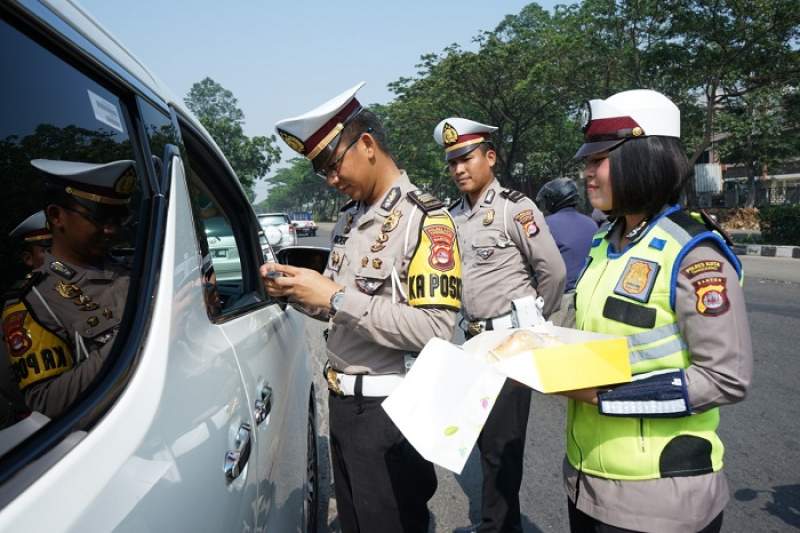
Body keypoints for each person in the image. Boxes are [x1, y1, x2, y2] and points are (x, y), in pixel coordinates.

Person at [263, 82, 462, 533]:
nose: (332, 180)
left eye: (333, 165)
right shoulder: (352, 220)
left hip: (391, 412)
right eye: (322, 173)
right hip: (343, 408)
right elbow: (338, 310)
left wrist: (333, 296)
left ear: (367, 144)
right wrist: (298, 290)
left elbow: (434, 329)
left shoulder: (426, 220)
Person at [562, 89, 753, 532]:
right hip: (587, 483)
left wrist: (606, 395)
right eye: (586, 161)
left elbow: (726, 377)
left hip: (660, 498)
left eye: (599, 160)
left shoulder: (692, 251)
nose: (586, 173)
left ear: (643, 158)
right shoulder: (605, 241)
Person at [435, 117, 565, 533]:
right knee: (480, 440)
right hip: (473, 342)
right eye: (452, 162)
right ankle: (495, 521)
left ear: (490, 157)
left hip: (510, 343)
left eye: (466, 158)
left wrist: (533, 326)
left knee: (503, 449)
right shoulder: (452, 216)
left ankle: (500, 527)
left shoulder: (515, 208)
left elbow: (554, 272)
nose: (458, 169)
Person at [1, 159, 134, 419]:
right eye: (100, 217)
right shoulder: (34, 302)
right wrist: (145, 331)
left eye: (119, 218)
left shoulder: (139, 269)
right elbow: (47, 404)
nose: (112, 229)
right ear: (56, 215)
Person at [535, 178, 597, 327]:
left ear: (553, 200)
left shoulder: (545, 224)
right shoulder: (591, 223)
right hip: (591, 296)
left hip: (562, 302)